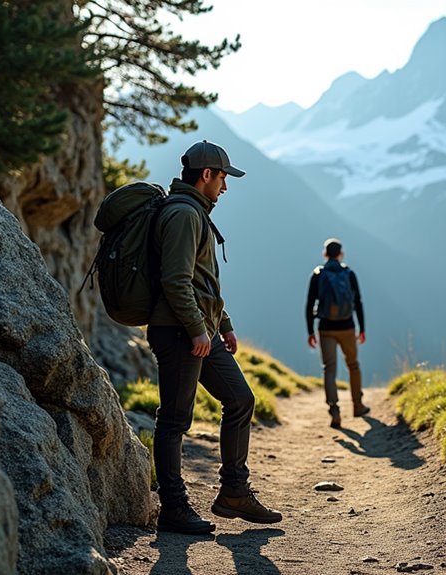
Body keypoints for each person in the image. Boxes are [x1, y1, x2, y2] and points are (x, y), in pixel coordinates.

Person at [147, 140, 282, 534]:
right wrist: (196, 329)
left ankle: (234, 494)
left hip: (199, 331)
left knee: (240, 399)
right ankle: (173, 508)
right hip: (178, 333)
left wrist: (223, 324)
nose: (225, 187)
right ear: (206, 175)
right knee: (174, 421)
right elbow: (176, 280)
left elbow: (202, 281)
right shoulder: (184, 215)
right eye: (223, 178)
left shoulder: (194, 213)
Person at [305, 238, 369, 428]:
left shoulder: (318, 274)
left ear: (325, 254)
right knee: (353, 365)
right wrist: (362, 328)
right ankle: (358, 405)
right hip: (347, 326)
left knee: (329, 369)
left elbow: (309, 305)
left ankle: (334, 410)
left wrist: (310, 331)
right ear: (341, 253)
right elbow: (358, 302)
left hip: (325, 328)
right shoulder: (349, 274)